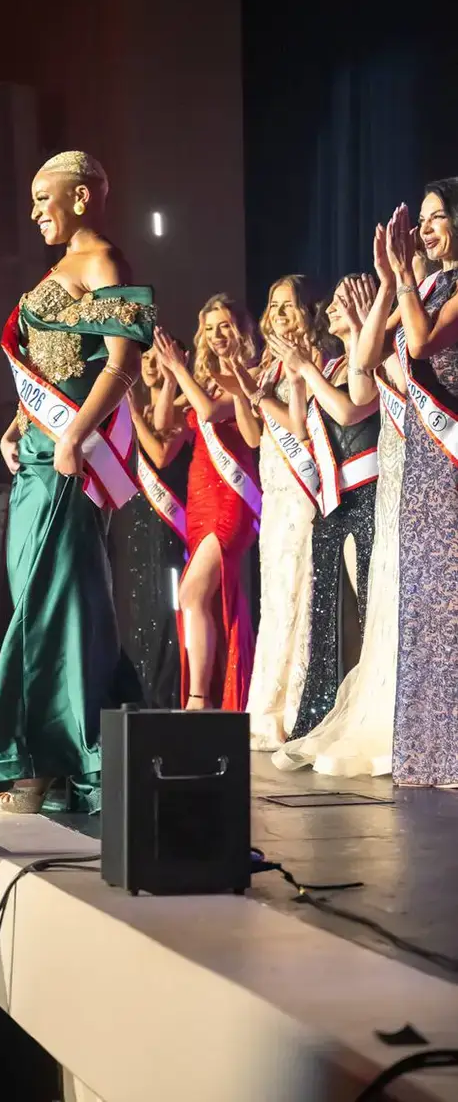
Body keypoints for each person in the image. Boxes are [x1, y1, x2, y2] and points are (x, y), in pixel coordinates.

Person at [0, 151, 155, 813]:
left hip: (69, 462)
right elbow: (53, 365)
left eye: (44, 198)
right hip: (37, 458)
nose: (34, 212)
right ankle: (72, 753)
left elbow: (123, 365)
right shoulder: (60, 269)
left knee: (53, 604)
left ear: (81, 196)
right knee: (50, 599)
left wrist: (74, 436)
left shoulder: (104, 262)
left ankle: (41, 761)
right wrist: (18, 424)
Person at [272, 279, 380, 760]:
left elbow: (351, 411)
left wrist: (306, 370)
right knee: (333, 615)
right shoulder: (332, 365)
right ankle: (322, 715)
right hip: (334, 501)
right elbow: (301, 427)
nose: (330, 309)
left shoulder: (365, 361)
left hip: (367, 493)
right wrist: (297, 379)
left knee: (367, 610)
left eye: (340, 302)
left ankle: (366, 714)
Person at [374, 185, 458, 788]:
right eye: (421, 220)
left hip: (451, 462)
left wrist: (406, 276)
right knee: (426, 604)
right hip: (423, 463)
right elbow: (371, 354)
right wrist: (389, 281)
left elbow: (424, 344)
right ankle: (429, 749)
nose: (425, 229)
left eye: (437, 217)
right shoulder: (424, 288)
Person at [153, 297, 260, 712]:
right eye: (210, 328)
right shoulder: (205, 380)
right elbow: (165, 425)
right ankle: (211, 694)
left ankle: (199, 698)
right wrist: (169, 377)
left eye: (225, 326)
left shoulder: (250, 374)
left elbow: (211, 412)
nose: (217, 335)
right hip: (199, 501)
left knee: (192, 593)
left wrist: (180, 371)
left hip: (231, 498)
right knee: (203, 599)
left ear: (241, 330)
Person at [235, 276, 321, 749]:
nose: (280, 313)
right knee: (275, 597)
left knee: (296, 591)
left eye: (289, 305)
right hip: (274, 486)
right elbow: (253, 435)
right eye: (274, 304)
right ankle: (267, 705)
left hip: (299, 488)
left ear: (307, 310)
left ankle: (296, 706)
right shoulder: (269, 363)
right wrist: (242, 389)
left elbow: (300, 427)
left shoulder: (312, 358)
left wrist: (261, 396)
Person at [111, 344, 190, 707]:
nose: (150, 365)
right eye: (145, 358)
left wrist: (130, 408)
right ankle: (140, 689)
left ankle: (165, 692)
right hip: (137, 519)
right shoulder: (140, 410)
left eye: (158, 358)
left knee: (164, 604)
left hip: (167, 522)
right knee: (138, 604)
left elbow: (160, 455)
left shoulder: (184, 410)